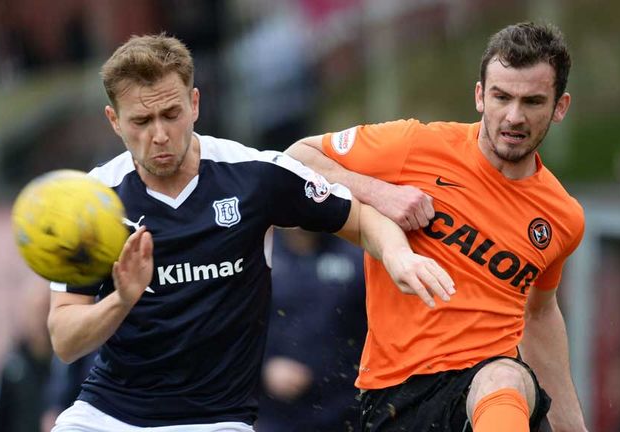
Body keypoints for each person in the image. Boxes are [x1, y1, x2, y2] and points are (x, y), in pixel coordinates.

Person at [47, 33, 454, 432]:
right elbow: (65, 340)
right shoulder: (92, 204)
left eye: (171, 114)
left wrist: (399, 255)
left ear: (194, 104)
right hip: (108, 414)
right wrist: (122, 299)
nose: (158, 134)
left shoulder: (255, 175)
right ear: (114, 120)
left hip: (216, 419)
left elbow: (361, 217)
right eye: (141, 120)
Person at [286, 22, 587, 432]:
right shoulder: (414, 146)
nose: (514, 117)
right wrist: (379, 191)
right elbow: (294, 160)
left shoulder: (561, 217)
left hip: (488, 392)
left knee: (503, 377)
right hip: (396, 394)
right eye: (502, 97)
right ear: (480, 95)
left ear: (560, 107)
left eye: (533, 101)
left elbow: (540, 315)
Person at [258, 229, 366, 431]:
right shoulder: (256, 256)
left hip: (345, 406)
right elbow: (230, 329)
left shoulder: (356, 255)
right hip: (274, 413)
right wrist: (263, 368)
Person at [0, 283, 52, 432]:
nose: (42, 319)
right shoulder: (12, 366)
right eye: (37, 312)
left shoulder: (67, 363)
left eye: (46, 310)